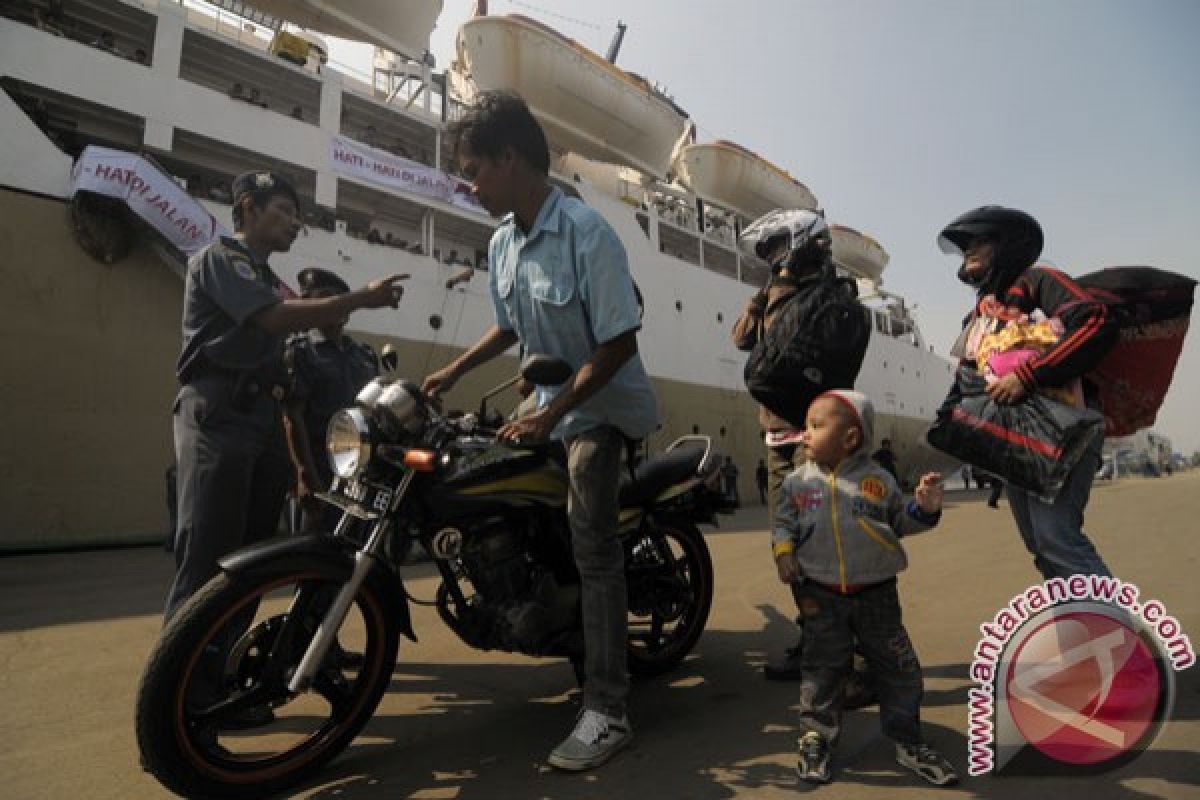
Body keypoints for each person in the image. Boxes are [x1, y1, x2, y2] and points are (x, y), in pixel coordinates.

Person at [421, 90, 657, 772]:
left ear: (510, 157)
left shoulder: (588, 234)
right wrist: (451, 373)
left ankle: (608, 708)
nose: (467, 183)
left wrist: (553, 413)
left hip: (601, 411)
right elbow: (509, 326)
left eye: (473, 168)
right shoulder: (503, 242)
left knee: (594, 545)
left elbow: (616, 345)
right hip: (547, 402)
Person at [167, 170, 407, 623]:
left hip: (261, 418)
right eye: (284, 210)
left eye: (298, 216)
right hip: (220, 413)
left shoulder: (266, 280)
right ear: (248, 209)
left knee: (253, 563)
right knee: (207, 557)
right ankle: (183, 686)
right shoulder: (219, 259)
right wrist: (358, 299)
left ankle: (224, 671)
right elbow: (273, 319)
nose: (295, 223)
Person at [774, 390, 957, 786]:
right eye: (806, 425)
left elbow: (899, 523)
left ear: (851, 439)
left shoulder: (879, 481)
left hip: (877, 595)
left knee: (898, 667)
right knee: (822, 670)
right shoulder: (796, 484)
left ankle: (907, 738)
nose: (805, 434)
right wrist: (784, 552)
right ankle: (815, 737)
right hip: (820, 595)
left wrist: (924, 509)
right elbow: (783, 524)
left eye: (816, 426)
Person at [731, 208, 872, 694]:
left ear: (801, 245)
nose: (771, 259)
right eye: (766, 252)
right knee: (789, 548)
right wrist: (757, 301)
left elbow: (792, 344)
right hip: (777, 438)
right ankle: (817, 643)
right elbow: (743, 342)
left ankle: (856, 661)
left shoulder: (823, 299)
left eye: (776, 248)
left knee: (825, 553)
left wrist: (780, 289)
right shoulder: (771, 297)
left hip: (813, 442)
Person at [938, 206, 1117, 579]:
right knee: (1039, 546)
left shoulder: (1038, 280)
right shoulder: (979, 316)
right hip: (1017, 438)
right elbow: (970, 379)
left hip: (1063, 429)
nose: (968, 250)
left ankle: (1123, 631)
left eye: (979, 241)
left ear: (1007, 245)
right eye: (964, 245)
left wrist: (1029, 375)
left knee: (1057, 538)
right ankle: (1084, 628)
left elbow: (1095, 321)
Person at [283, 267, 382, 533]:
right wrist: (305, 477)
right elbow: (293, 417)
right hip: (320, 471)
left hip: (360, 475)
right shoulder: (299, 353)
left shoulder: (363, 356)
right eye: (324, 297)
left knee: (358, 557)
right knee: (312, 557)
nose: (334, 304)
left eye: (338, 297)